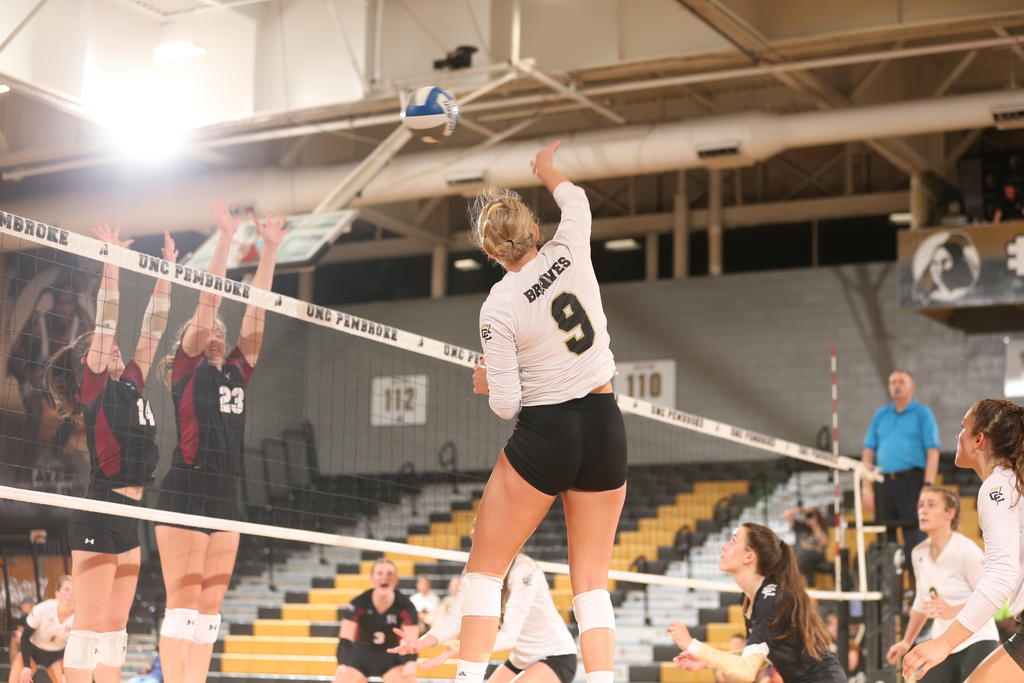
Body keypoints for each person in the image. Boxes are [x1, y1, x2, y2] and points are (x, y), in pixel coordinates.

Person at [463, 140, 626, 683]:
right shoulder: (570, 246)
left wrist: (488, 385)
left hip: (548, 432)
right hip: (604, 425)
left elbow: (508, 403)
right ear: (535, 231)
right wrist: (547, 168)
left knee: (485, 571)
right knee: (592, 584)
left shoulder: (499, 305)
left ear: (491, 253)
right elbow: (576, 200)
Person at [154, 201, 287, 683]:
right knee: (183, 607)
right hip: (186, 488)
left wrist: (268, 250)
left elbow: (258, 311)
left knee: (209, 614)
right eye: (207, 329)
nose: (215, 332)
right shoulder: (186, 369)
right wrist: (226, 239)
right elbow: (209, 300)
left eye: (220, 331)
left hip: (227, 495)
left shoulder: (235, 370)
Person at [44, 224, 176, 683]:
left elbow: (153, 330)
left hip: (130, 515)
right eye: (104, 349)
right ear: (89, 364)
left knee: (116, 632)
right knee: (88, 631)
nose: (116, 348)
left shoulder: (131, 382)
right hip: (99, 509)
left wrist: (167, 276)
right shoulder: (96, 384)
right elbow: (105, 322)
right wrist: (112, 263)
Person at [901, 399, 1024, 681]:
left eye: (963, 428)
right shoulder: (1011, 484)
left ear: (979, 440)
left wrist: (943, 642)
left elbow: (1000, 576)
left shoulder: (998, 486)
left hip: (978, 638)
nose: (958, 436)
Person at [668, 523, 846, 683]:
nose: (723, 546)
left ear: (749, 557)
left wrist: (691, 644)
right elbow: (758, 656)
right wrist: (708, 660)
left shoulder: (771, 598)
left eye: (732, 541)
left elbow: (746, 671)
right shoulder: (751, 597)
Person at [389, 554, 579, 683]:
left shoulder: (525, 570)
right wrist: (422, 643)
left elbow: (509, 636)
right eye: (475, 529)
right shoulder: (474, 569)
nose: (475, 533)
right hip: (521, 657)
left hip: (555, 655)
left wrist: (461, 649)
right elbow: (456, 618)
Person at [886, 486, 999, 681]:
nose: (923, 510)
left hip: (978, 638)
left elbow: (991, 599)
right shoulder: (918, 553)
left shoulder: (967, 550)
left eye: (931, 505)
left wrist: (953, 610)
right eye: (921, 505)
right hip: (941, 642)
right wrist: (906, 641)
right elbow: (921, 602)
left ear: (950, 513)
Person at [861, 370, 940, 571]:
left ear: (911, 387)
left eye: (901, 382)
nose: (896, 385)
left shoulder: (922, 414)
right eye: (892, 381)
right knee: (884, 541)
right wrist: (866, 487)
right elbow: (868, 451)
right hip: (883, 483)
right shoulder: (881, 415)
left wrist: (928, 485)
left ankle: (917, 596)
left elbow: (932, 451)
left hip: (912, 482)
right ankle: (889, 597)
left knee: (915, 540)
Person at [333, 559, 418, 683]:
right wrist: (342, 664)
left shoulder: (406, 606)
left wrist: (411, 662)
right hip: (360, 656)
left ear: (396, 579)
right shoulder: (358, 604)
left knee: (408, 678)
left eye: (389, 574)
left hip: (392, 656)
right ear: (372, 579)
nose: (385, 577)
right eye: (380, 573)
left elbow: (412, 640)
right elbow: (345, 639)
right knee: (341, 679)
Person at [16, 576, 74, 683]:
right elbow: (25, 637)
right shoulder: (43, 609)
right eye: (66, 589)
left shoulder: (79, 618)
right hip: (32, 650)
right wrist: (26, 666)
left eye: (74, 590)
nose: (71, 593)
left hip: (56, 655)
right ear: (57, 593)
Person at [782, 505, 831, 587]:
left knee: (804, 555)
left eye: (811, 515)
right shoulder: (800, 526)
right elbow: (786, 515)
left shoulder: (821, 527)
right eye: (807, 515)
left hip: (815, 558)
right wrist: (802, 509)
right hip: (800, 558)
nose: (809, 517)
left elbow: (824, 543)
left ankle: (810, 586)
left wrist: (815, 525)